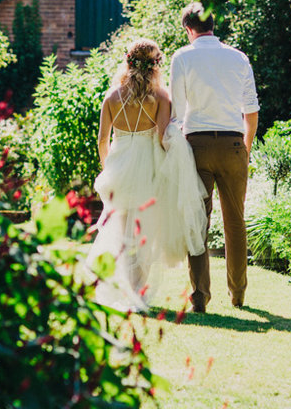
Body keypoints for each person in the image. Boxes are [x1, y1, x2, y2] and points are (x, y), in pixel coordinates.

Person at [86, 38, 208, 311]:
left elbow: (102, 140)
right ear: (155, 66)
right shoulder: (161, 97)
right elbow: (164, 137)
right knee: (144, 235)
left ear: (128, 62)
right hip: (149, 168)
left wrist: (108, 168)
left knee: (120, 230)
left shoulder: (111, 97)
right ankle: (136, 293)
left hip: (119, 168)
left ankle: (120, 289)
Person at [170, 2, 259, 312]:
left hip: (197, 145)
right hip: (234, 142)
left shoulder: (182, 57)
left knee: (198, 222)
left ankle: (200, 296)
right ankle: (238, 294)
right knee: (235, 222)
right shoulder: (238, 58)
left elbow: (176, 112)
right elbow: (251, 110)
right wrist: (245, 147)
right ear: (212, 24)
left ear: (187, 29)